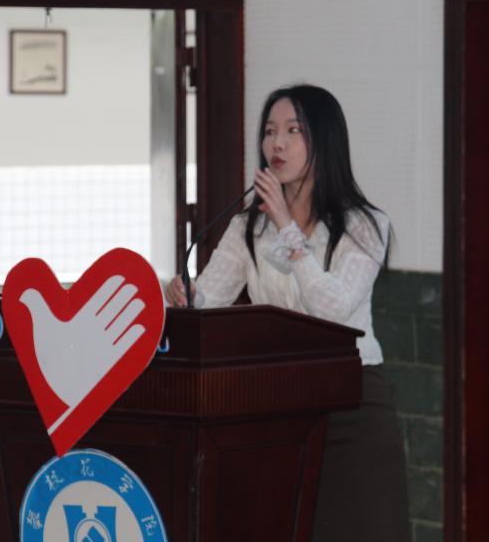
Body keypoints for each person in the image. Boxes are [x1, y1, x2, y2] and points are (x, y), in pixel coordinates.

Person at [165, 84, 410, 542]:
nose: (276, 143)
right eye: (269, 131)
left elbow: (333, 312)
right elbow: (209, 302)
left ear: (325, 140)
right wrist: (186, 295)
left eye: (293, 131)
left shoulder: (364, 225)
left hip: (352, 403)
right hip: (278, 402)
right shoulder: (247, 227)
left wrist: (287, 228)